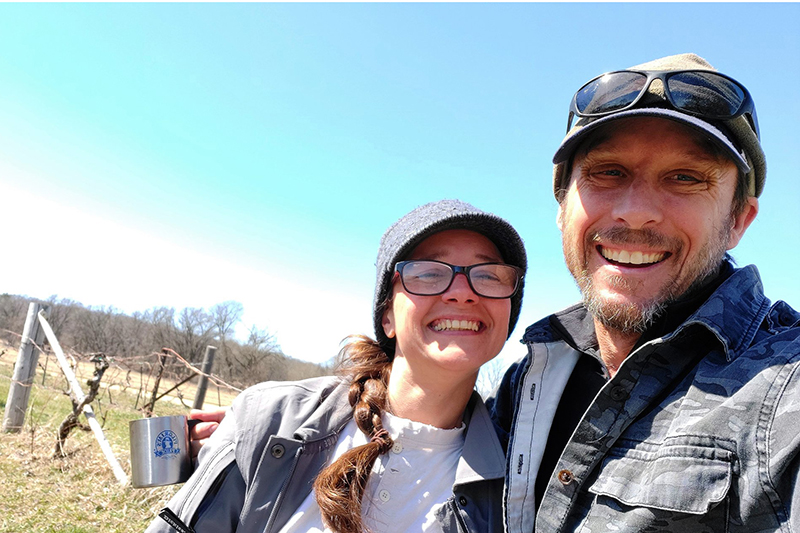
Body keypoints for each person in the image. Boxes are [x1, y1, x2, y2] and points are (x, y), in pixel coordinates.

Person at [490, 53, 800, 532]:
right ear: (561, 207)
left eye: (685, 178)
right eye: (607, 172)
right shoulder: (526, 383)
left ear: (738, 221)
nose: (635, 212)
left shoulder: (785, 385)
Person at [146, 199, 527, 533]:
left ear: (506, 320)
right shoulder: (270, 420)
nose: (462, 292)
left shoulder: (517, 490)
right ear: (387, 318)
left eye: (489, 276)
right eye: (428, 273)